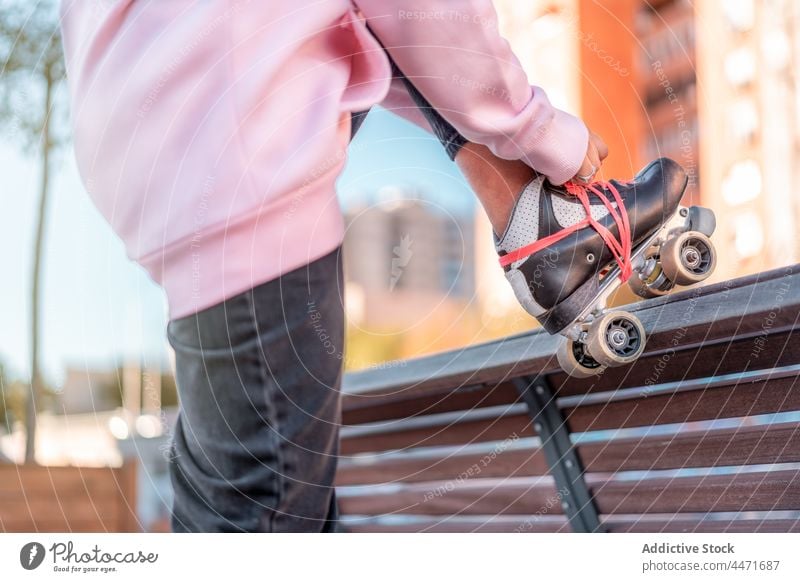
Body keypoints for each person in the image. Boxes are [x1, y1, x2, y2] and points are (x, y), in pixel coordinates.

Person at [59, 0, 685, 531]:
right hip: (233, 152)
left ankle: (538, 223)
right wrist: (544, 133)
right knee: (259, 518)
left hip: (145, 135)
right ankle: (544, 230)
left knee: (243, 499)